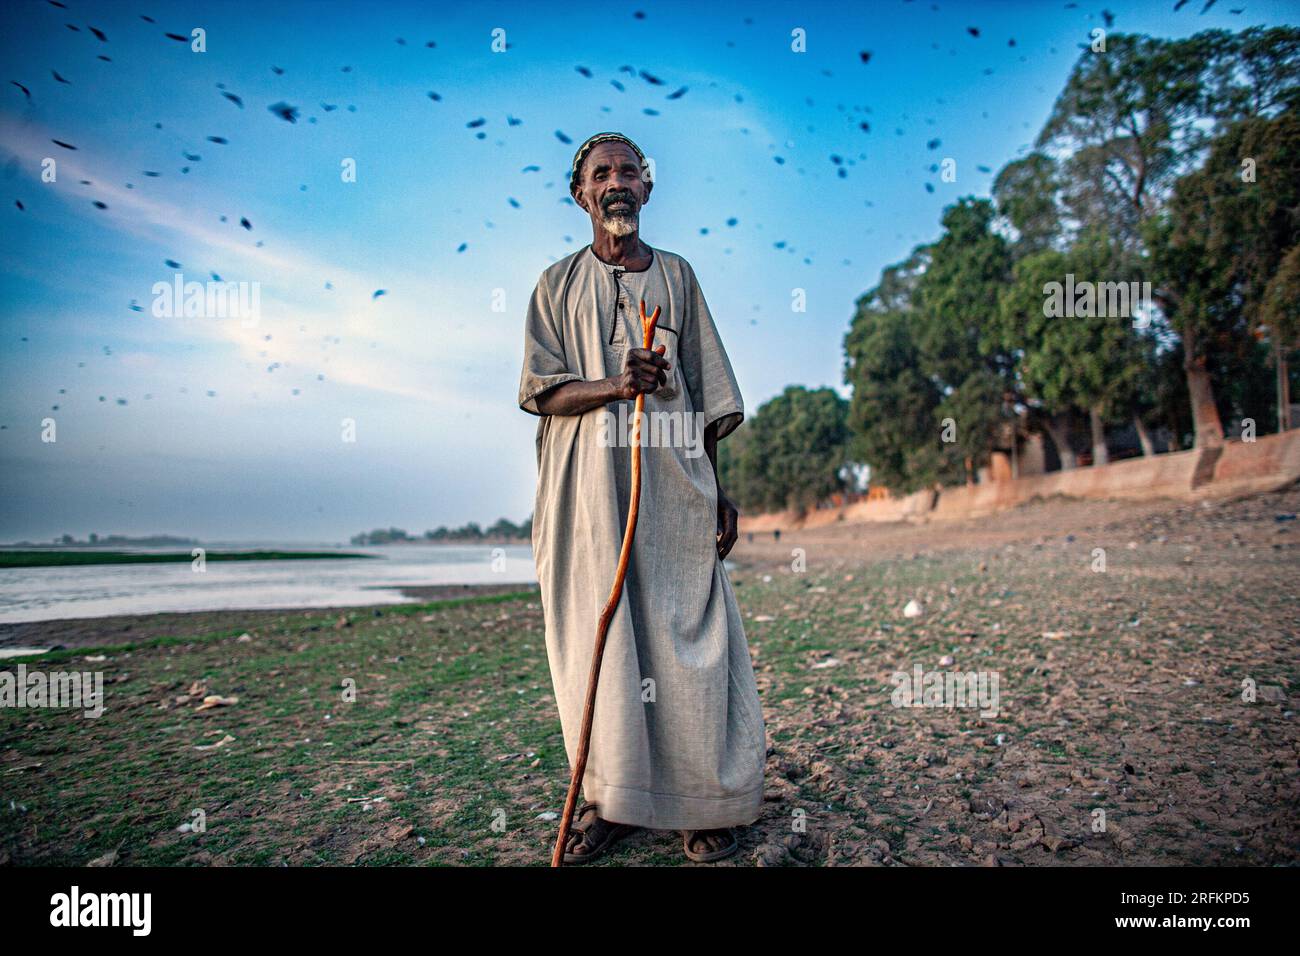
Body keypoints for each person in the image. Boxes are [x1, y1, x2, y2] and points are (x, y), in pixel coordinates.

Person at [517, 132, 766, 863]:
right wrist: (614, 385)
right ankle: (615, 802)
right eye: (602, 174)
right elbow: (542, 392)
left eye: (629, 171)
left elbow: (707, 390)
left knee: (688, 638)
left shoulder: (679, 278)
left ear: (648, 189)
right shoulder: (553, 286)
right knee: (599, 645)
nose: (617, 182)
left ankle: (700, 804)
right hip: (584, 501)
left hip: (673, 489)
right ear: (580, 195)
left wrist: (718, 490)